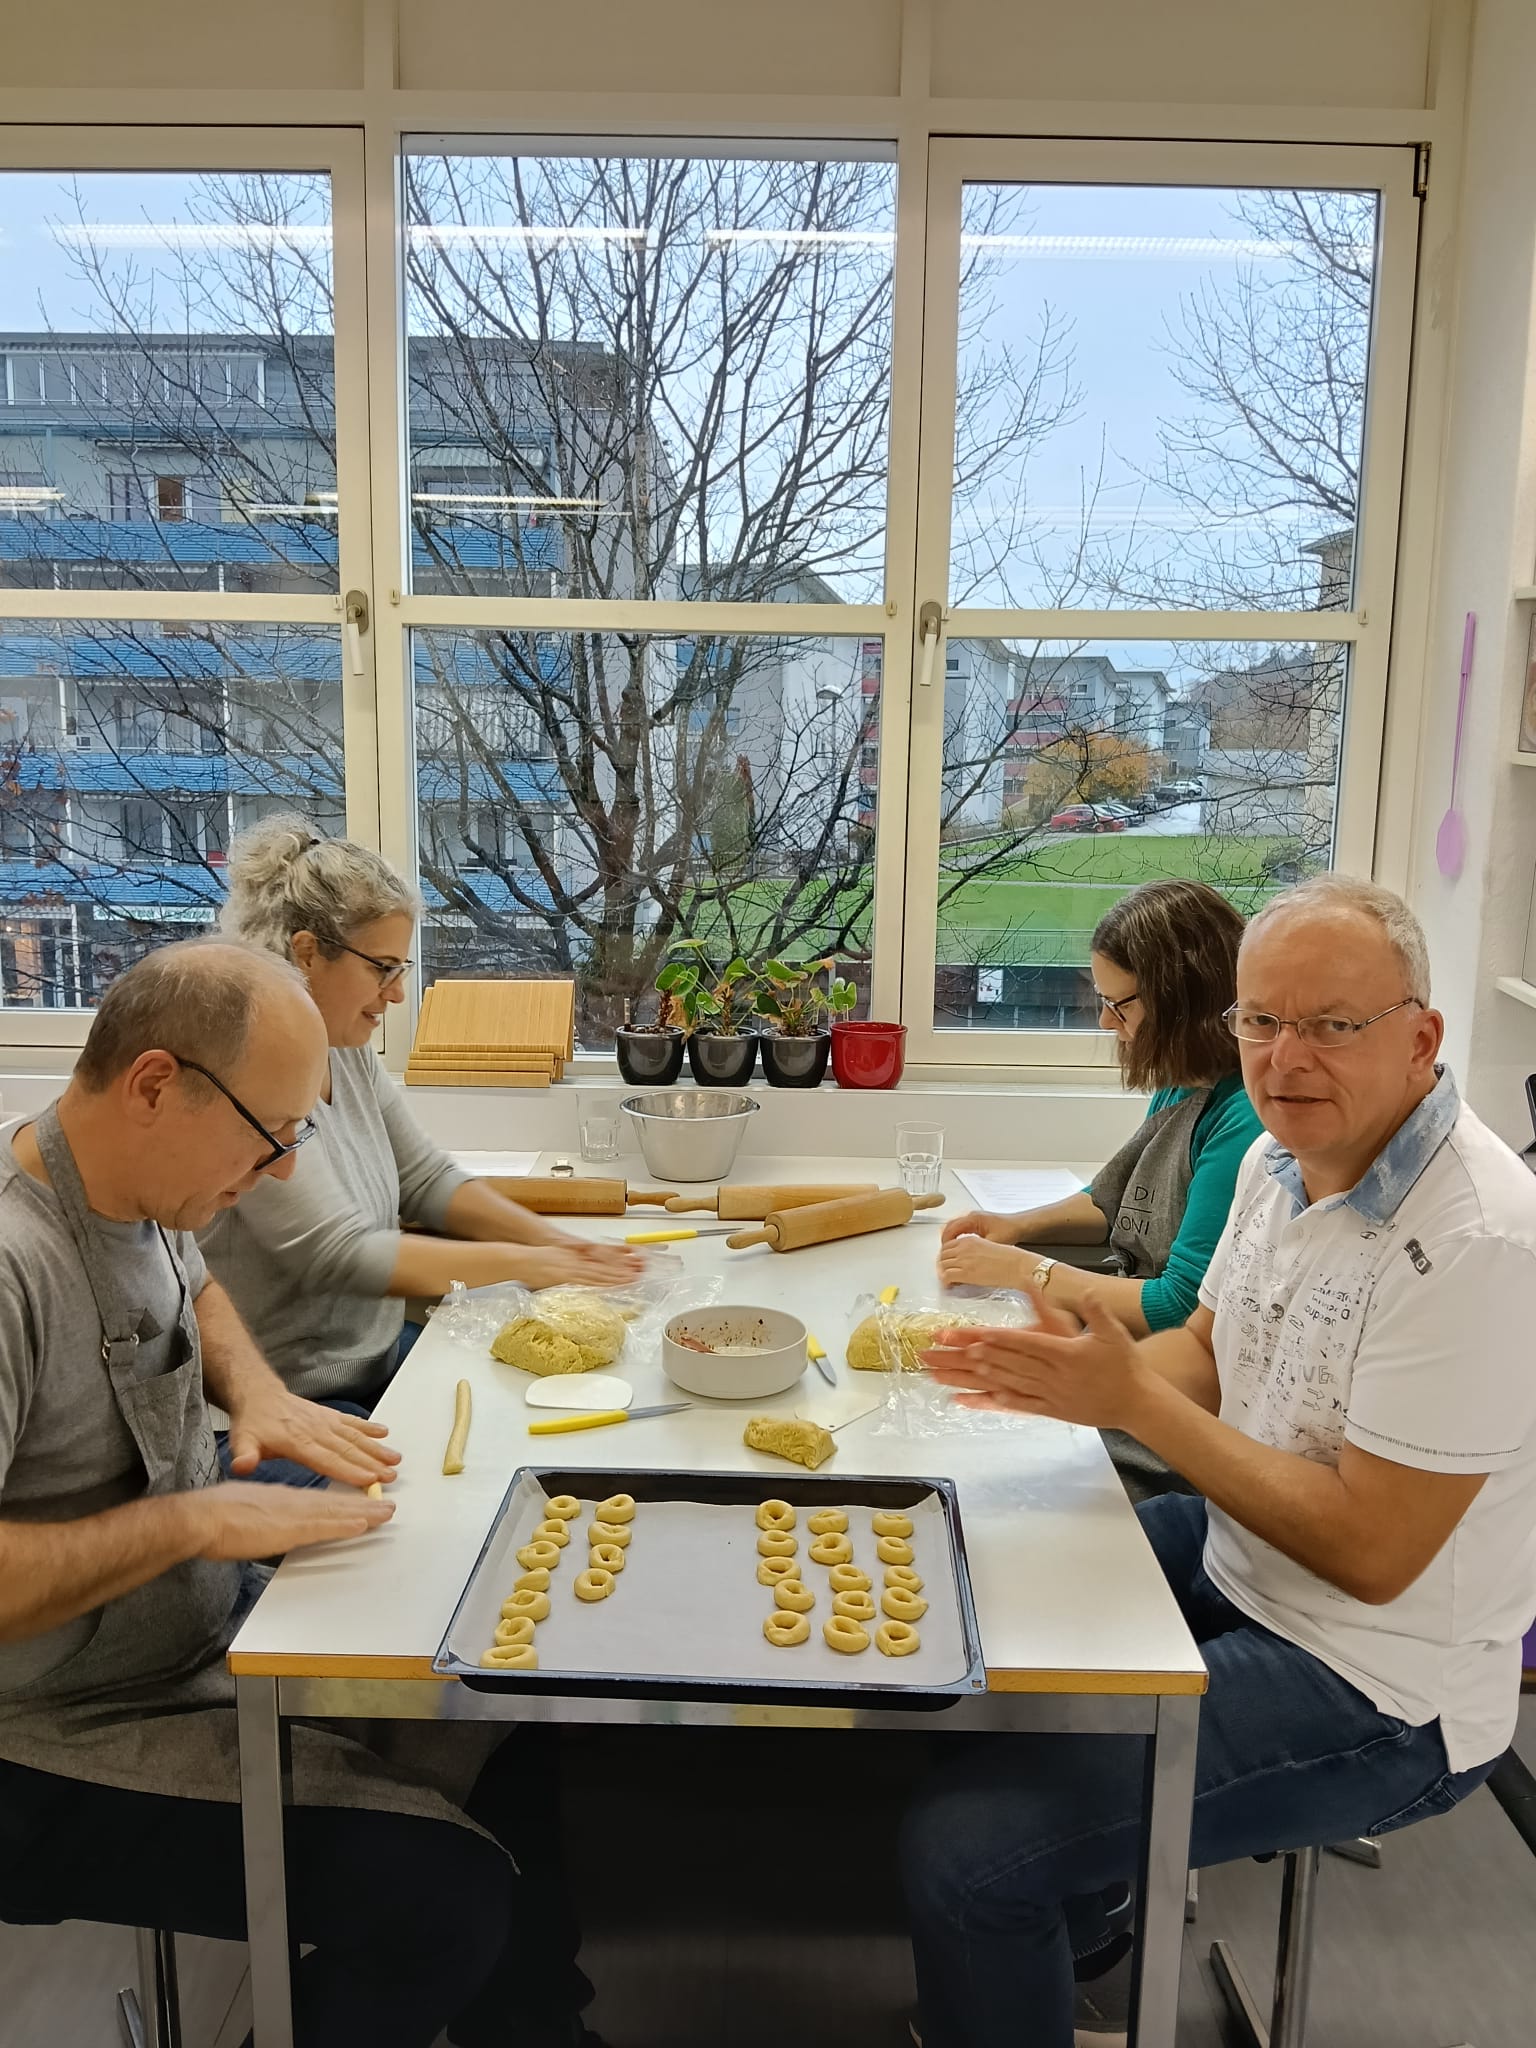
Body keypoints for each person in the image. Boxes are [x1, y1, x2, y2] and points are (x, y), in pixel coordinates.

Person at [906, 877, 1536, 2048]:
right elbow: (1203, 1348)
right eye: (1261, 1020)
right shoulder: (1274, 1161)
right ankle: (1070, 1938)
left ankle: (1028, 1913)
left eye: (1333, 1023)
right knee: (983, 1605)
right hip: (1245, 1553)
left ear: (1421, 1037)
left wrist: (1125, 1395)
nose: (1287, 1057)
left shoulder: (1478, 1241)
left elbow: (1372, 1551)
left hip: (1377, 1675)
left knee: (965, 1851)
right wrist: (1060, 1387)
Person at [0, 941, 600, 2048]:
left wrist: (258, 1394)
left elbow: (195, 1286)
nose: (281, 1169)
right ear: (153, 1083)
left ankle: (530, 2029)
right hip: (46, 1736)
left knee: (495, 1701)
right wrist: (192, 1520)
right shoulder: (12, 1261)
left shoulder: (140, 1185)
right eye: (268, 1133)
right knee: (442, 1901)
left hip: (191, 1638)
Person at [201, 817, 639, 1463]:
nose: (398, 993)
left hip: (373, 1364)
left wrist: (556, 1242)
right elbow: (341, 1254)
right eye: (382, 968)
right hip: (289, 1403)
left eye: (400, 968)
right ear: (306, 953)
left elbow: (426, 1179)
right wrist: (533, 1265)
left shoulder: (344, 1046)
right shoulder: (249, 1071)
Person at [938, 879, 1262, 1497]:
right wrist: (1018, 1227)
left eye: (1120, 1004)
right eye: (1102, 999)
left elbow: (1177, 1304)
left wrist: (1025, 1271)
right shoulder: (1185, 1077)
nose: (1106, 1021)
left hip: (1169, 1404)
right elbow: (1115, 1203)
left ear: (1183, 998)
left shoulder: (1244, 1119)